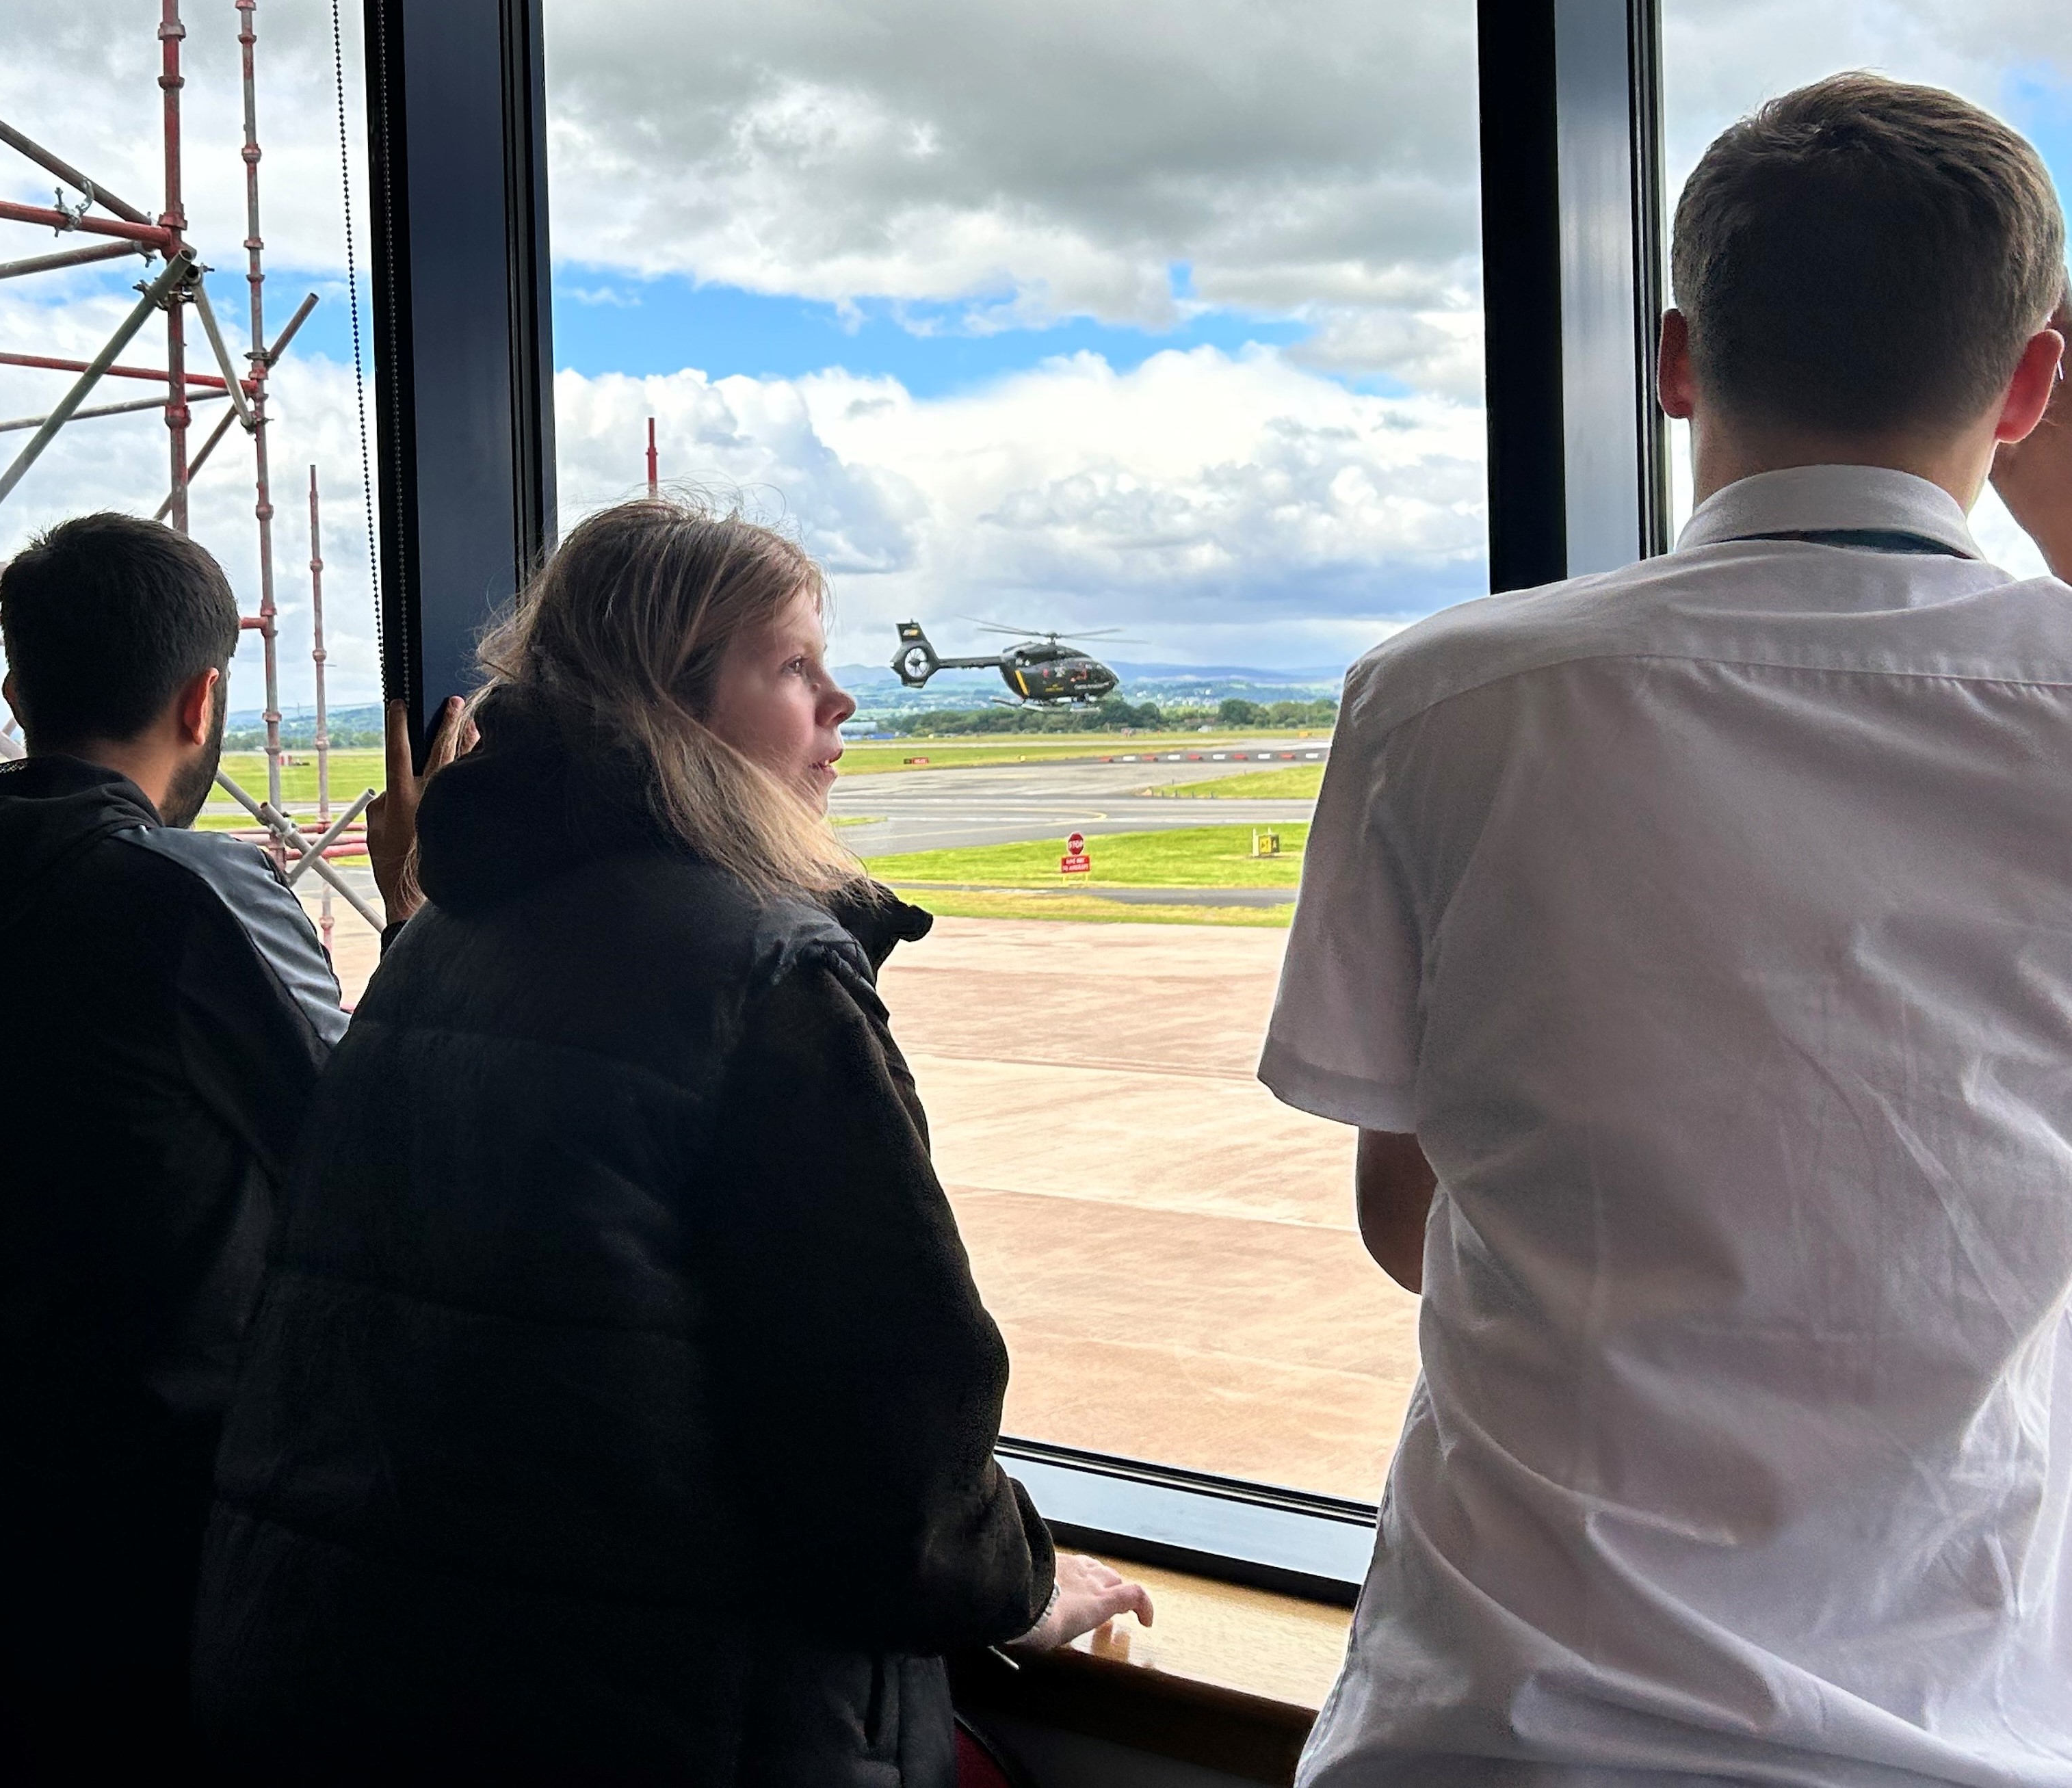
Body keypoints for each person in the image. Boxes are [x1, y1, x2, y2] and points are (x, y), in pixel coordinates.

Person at [1262, 75, 2072, 1786]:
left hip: (1490, 1725)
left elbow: (1407, 1221)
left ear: (1673, 362)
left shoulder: (1437, 697)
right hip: (1966, 1723)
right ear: (2028, 385)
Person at [191, 498, 1151, 1786]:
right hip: (644, 1715)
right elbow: (890, 1450)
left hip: (356, 1678)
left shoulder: (444, 939)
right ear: (674, 698)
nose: (843, 705)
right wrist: (1015, 1582)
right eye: (797, 664)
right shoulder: (760, 976)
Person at [0, 512, 429, 1781]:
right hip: (177, 1539)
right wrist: (416, 912)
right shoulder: (184, 894)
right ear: (203, 699)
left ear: (19, 692)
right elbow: (384, 1161)